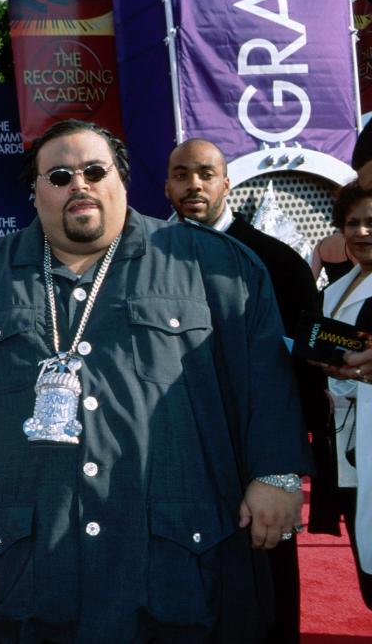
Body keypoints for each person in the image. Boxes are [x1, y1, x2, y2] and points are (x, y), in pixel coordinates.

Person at [0, 119, 312, 642]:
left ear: (123, 181)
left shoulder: (213, 265)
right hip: (27, 560)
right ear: (35, 191)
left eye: (94, 171)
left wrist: (278, 473)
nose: (78, 185)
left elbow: (264, 378)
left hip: (175, 553)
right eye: (59, 175)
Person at [165, 138, 330, 643]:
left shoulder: (276, 261)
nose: (194, 184)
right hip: (168, 449)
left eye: (206, 173)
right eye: (182, 174)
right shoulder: (137, 255)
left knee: (265, 584)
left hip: (252, 448)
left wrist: (282, 469)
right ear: (166, 183)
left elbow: (305, 361)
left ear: (226, 183)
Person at [313, 180, 372, 609]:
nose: (361, 232)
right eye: (352, 223)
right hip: (345, 449)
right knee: (366, 571)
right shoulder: (333, 290)